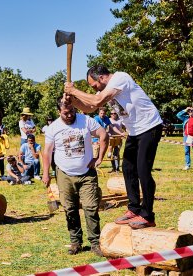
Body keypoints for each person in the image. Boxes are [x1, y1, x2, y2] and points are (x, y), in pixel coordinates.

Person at [64, 64, 163, 229]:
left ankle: (147, 215)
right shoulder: (104, 90)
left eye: (94, 85)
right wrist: (72, 101)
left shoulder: (120, 78)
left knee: (143, 170)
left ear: (101, 77)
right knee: (128, 168)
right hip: (134, 131)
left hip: (149, 127)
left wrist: (74, 91)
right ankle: (133, 209)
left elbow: (97, 100)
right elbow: (89, 107)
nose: (94, 88)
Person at [42, 98, 108, 256]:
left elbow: (103, 135)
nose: (70, 115)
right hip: (64, 174)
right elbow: (47, 152)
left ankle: (95, 243)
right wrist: (46, 173)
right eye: (66, 113)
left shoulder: (86, 120)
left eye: (72, 111)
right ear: (59, 112)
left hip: (87, 174)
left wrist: (99, 158)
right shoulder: (53, 128)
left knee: (91, 208)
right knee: (70, 209)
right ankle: (75, 242)